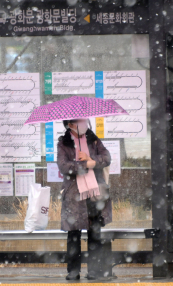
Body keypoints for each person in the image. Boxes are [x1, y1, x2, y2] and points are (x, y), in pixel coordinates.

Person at [57, 119, 113, 280]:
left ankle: (94, 271)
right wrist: (83, 164)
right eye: (79, 121)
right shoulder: (63, 143)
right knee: (73, 234)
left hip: (95, 194)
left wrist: (92, 160)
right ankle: (73, 271)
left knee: (94, 233)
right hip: (74, 195)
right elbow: (63, 166)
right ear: (70, 125)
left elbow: (107, 158)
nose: (84, 123)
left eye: (84, 120)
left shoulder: (93, 139)